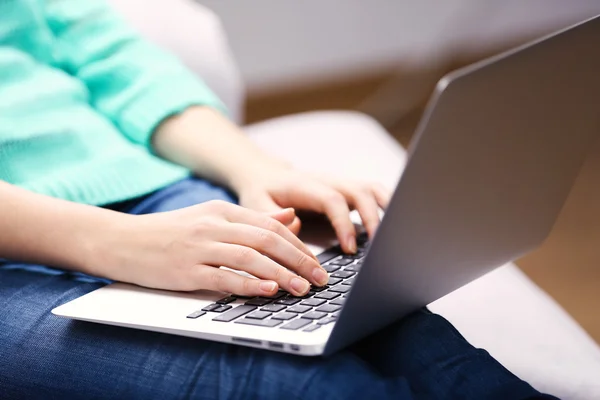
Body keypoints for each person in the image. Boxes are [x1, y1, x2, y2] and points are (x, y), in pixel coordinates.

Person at [0, 1, 555, 399]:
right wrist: (113, 244)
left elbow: (111, 59)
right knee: (291, 386)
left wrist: (255, 170)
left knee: (406, 338)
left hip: (151, 191)